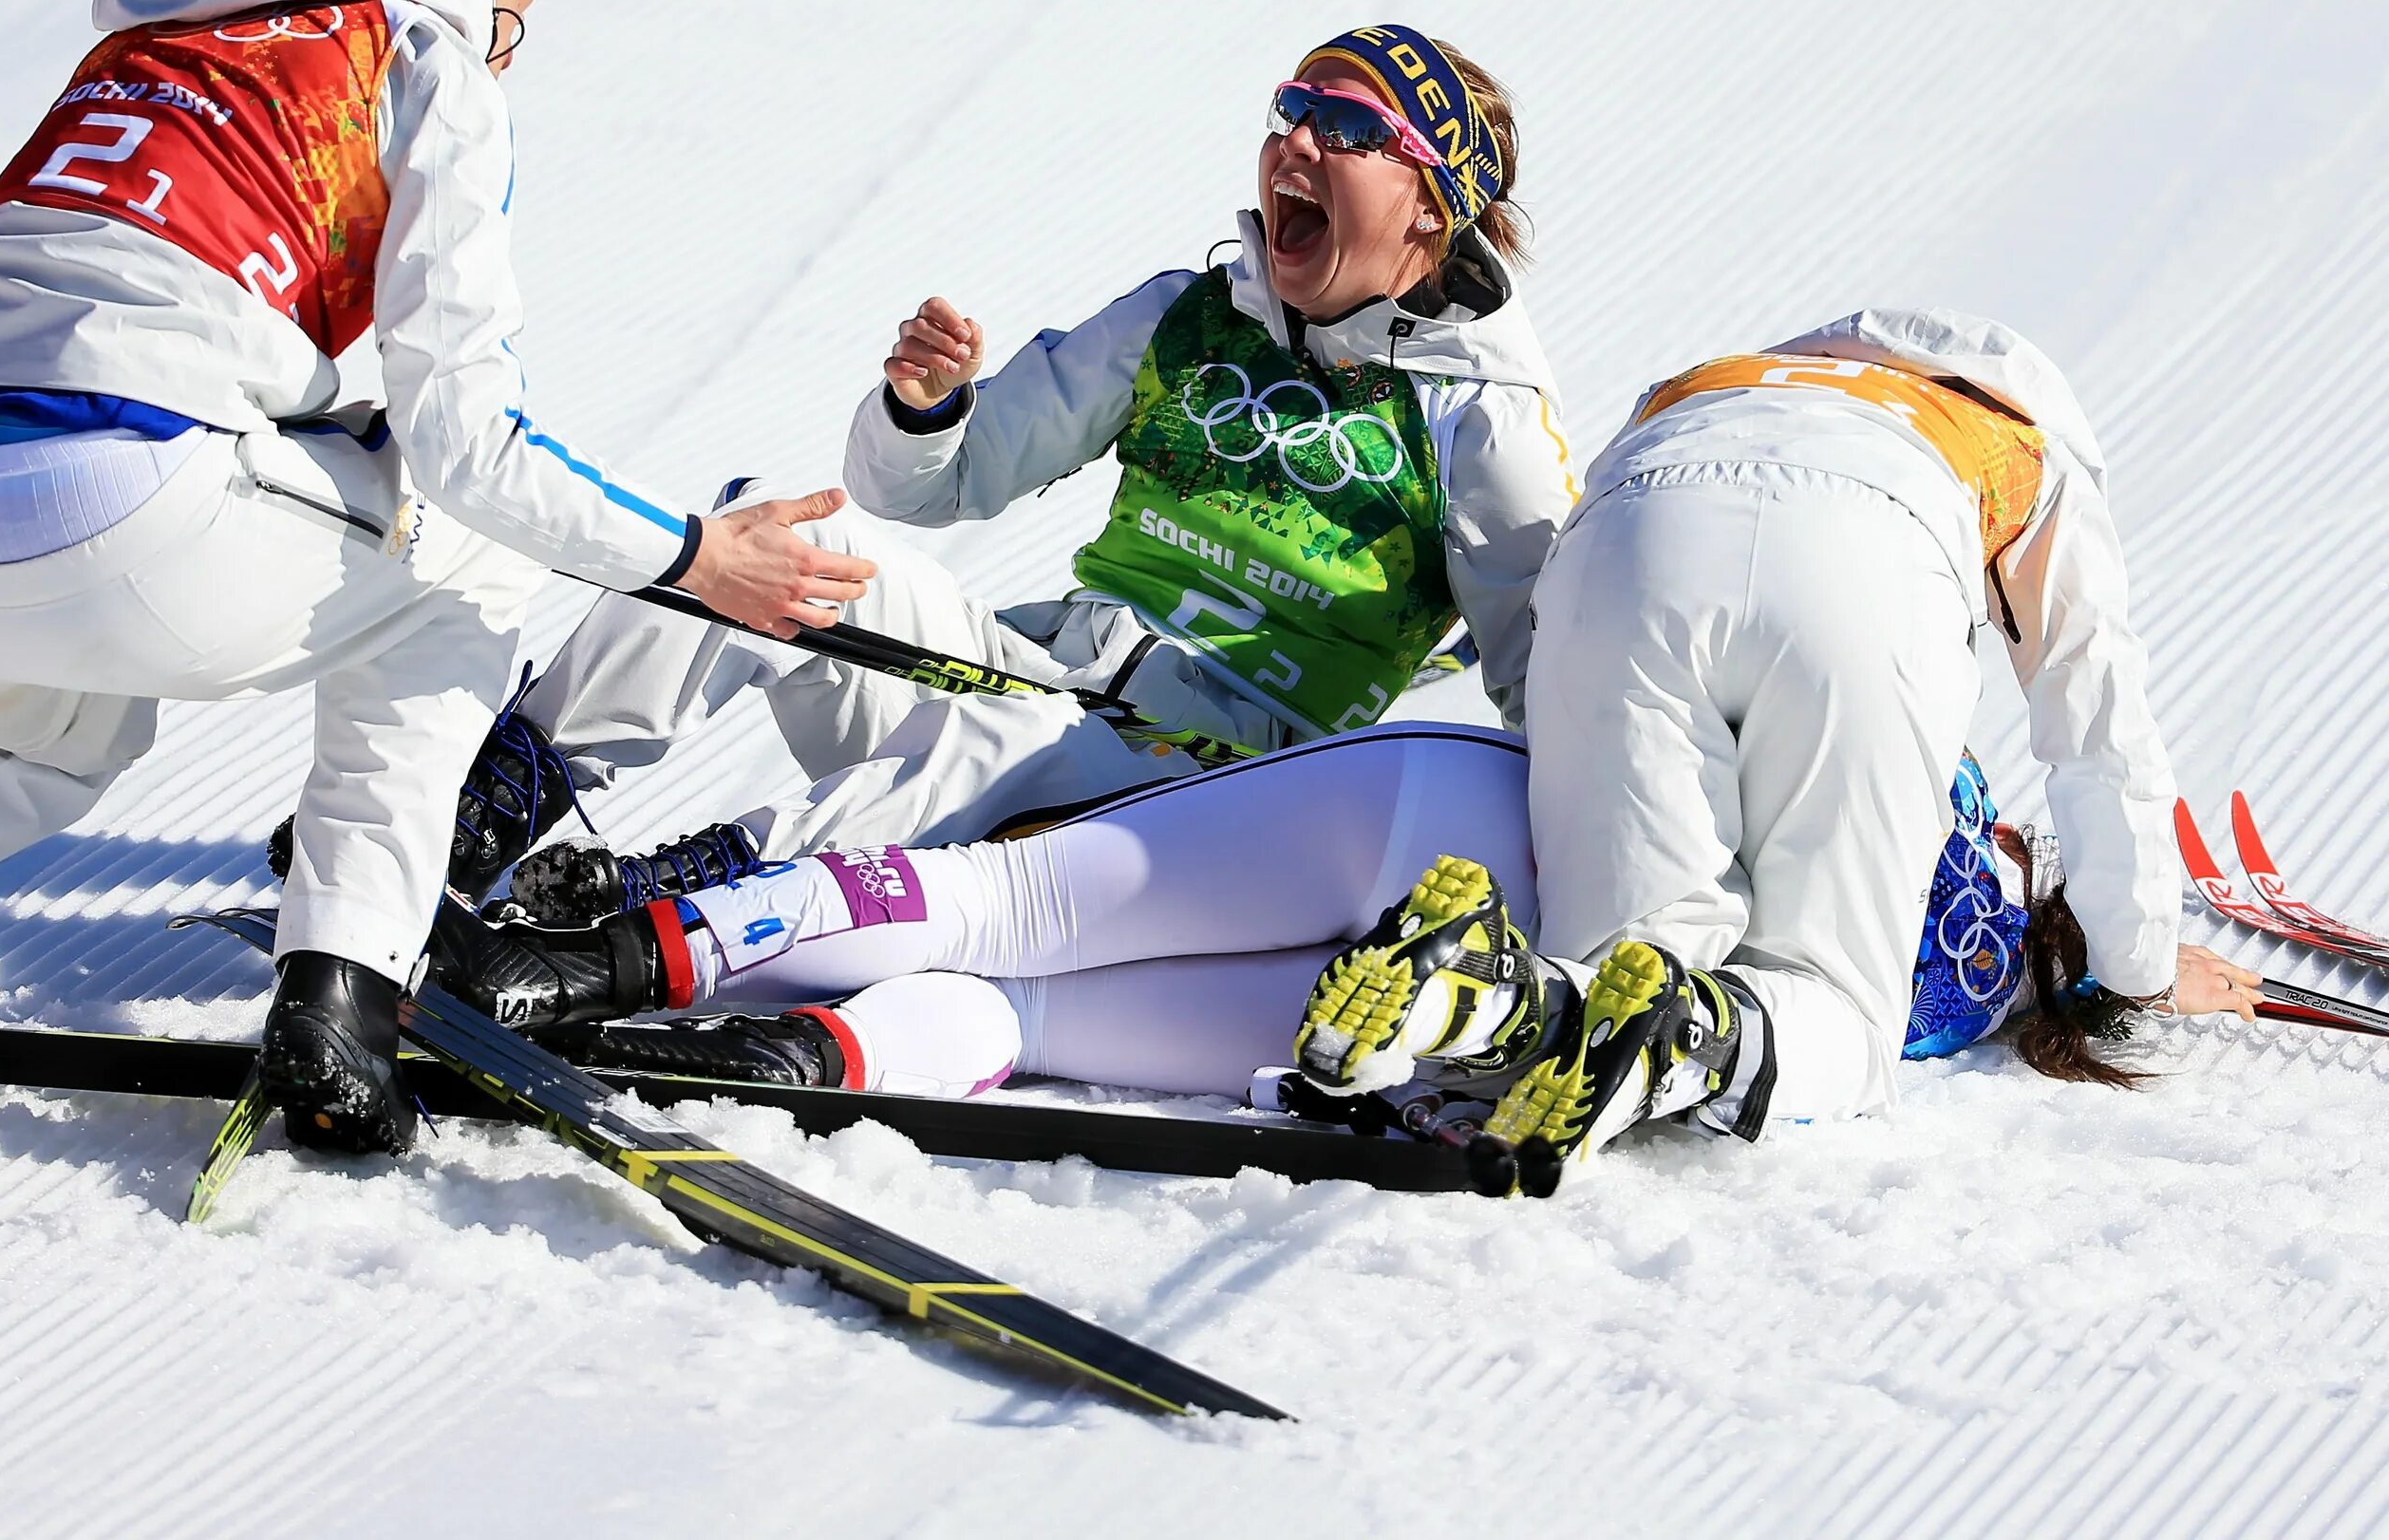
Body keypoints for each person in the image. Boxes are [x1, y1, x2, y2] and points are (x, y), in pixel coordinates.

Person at [0, 0, 873, 1151]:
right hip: (110, 501)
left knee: (44, 707)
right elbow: (469, 444)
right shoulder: (424, 53)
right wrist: (694, 557)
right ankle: (342, 1007)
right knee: (468, 550)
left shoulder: (164, 29)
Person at [415, 26, 1581, 922]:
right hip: (1036, 673)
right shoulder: (1187, 315)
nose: (1298, 140)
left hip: (1210, 789)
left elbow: (1558, 680)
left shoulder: (1481, 418)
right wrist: (928, 413)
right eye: (1293, 107)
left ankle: (673, 902)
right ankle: (475, 812)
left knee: (998, 742)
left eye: (1349, 124)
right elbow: (926, 487)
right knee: (771, 537)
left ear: (1435, 198)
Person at [1291, 308, 2261, 1171]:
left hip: (1631, 548)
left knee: (1626, 957)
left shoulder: (1717, 380)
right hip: (1863, 564)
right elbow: (2097, 736)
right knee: (1828, 1003)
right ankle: (1692, 1036)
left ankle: (1468, 994)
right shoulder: (2023, 442)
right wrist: (2139, 965)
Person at [391, 725, 2254, 1144]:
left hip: (1449, 822)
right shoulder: (1943, 1004)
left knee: (1012, 896)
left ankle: (602, 973)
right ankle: (743, 1057)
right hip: (1474, 962)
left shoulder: (1926, 763)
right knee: (1030, 1003)